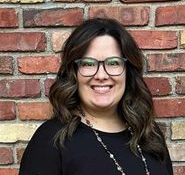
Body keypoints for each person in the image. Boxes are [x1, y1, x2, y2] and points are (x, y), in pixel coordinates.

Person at [19, 18, 173, 175]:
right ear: (74, 72)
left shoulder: (148, 133)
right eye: (88, 63)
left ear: (128, 70)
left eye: (113, 63)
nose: (101, 75)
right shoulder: (51, 140)